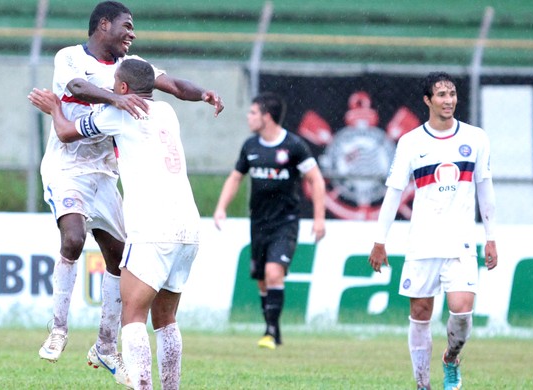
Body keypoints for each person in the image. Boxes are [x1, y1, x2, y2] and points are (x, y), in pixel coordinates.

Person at [37, 1, 223, 386]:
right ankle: (60, 329)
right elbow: (77, 86)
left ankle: (110, 352)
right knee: (75, 241)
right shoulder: (73, 58)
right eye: (127, 25)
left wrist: (55, 108)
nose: (132, 33)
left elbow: (169, 86)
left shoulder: (128, 89)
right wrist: (116, 98)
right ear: (103, 24)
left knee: (126, 288)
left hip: (115, 184)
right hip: (75, 171)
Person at [367, 71, 498, 390]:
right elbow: (393, 192)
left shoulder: (476, 138)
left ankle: (451, 359)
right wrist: (379, 241)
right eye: (441, 94)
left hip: (462, 244)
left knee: (462, 312)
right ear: (427, 100)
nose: (448, 100)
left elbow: (485, 189)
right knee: (421, 314)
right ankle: (423, 384)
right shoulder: (411, 142)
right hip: (422, 243)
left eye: (452, 94)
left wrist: (491, 236)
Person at [213, 92, 326, 350]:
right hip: (258, 222)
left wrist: (319, 218)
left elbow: (316, 179)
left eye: (253, 112)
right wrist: (221, 208)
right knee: (263, 278)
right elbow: (235, 178)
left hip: (285, 221)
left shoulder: (294, 146)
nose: (248, 117)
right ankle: (271, 330)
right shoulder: (250, 146)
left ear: (266, 116)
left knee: (274, 272)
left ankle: (272, 332)